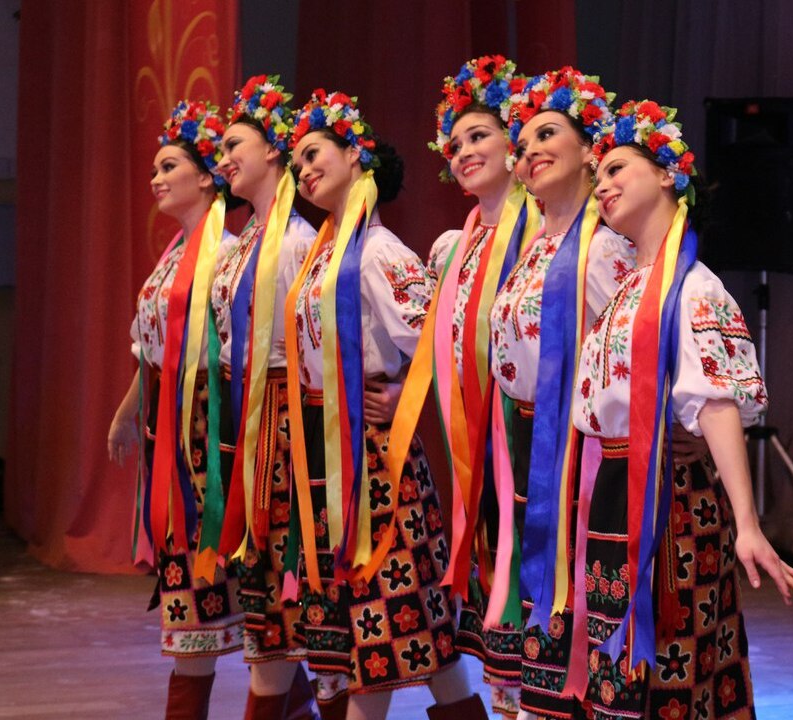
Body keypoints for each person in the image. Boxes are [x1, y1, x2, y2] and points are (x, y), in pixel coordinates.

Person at [566, 99, 793, 719]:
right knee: (616, 674)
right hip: (613, 489)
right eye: (598, 177)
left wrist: (747, 523)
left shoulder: (693, 288)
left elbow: (713, 402)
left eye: (617, 170)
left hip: (668, 502)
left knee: (672, 666)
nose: (602, 186)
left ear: (667, 174)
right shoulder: (628, 287)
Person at [284, 89, 485, 720]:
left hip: (373, 461)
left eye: (314, 154)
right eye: (296, 163)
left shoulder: (377, 251)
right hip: (328, 451)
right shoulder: (325, 251)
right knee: (410, 637)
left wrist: (402, 392)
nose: (303, 170)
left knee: (380, 629)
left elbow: (442, 337)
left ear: (354, 154)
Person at [489, 67, 635, 720]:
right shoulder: (534, 249)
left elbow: (642, 351)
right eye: (522, 145)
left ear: (589, 150)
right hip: (532, 446)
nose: (530, 151)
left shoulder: (604, 252)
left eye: (548, 134)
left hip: (582, 456)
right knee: (543, 614)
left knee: (577, 612)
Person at [107, 99, 243, 720]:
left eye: (169, 167)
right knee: (184, 575)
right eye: (155, 169)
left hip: (210, 431)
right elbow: (153, 350)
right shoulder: (175, 254)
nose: (156, 179)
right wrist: (128, 412)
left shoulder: (229, 255)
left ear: (208, 177)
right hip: (172, 426)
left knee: (215, 574)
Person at [413, 55, 536, 720]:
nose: (462, 151)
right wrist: (394, 391)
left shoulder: (551, 238)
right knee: (494, 599)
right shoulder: (448, 249)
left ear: (516, 142)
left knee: (535, 595)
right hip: (477, 449)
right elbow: (425, 340)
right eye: (455, 143)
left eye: (479, 135)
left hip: (538, 443)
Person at [209, 74, 318, 718]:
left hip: (285, 422)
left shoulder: (299, 240)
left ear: (274, 150)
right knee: (264, 599)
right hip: (247, 417)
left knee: (286, 588)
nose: (223, 159)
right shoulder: (243, 239)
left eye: (234, 146)